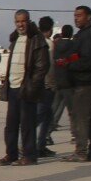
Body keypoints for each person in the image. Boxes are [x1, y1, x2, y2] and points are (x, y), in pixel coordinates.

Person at [0, 10, 49, 166]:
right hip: (13, 87)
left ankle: (29, 156)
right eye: (17, 22)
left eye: (23, 21)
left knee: (27, 125)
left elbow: (42, 67)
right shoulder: (15, 39)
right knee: (11, 125)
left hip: (27, 89)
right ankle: (11, 155)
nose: (20, 25)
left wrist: (32, 86)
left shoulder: (37, 39)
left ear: (29, 21)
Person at [60, 5, 91, 161]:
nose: (76, 18)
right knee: (89, 118)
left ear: (89, 17)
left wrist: (69, 65)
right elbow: (79, 55)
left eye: (79, 15)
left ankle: (81, 152)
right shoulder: (83, 35)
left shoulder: (90, 35)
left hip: (86, 83)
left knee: (81, 118)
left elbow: (89, 61)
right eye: (75, 15)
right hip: (85, 83)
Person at [47, 23, 74, 152]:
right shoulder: (73, 45)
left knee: (53, 109)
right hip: (69, 82)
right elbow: (75, 59)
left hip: (57, 80)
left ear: (62, 33)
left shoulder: (55, 45)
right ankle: (75, 135)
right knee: (72, 111)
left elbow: (53, 62)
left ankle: (47, 134)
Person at [34, 16, 57, 157]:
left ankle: (41, 145)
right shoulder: (48, 44)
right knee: (39, 117)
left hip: (44, 85)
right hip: (45, 86)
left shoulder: (35, 42)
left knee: (47, 117)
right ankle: (25, 145)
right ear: (50, 29)